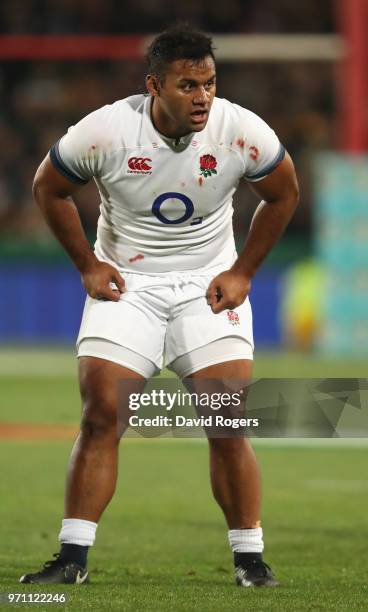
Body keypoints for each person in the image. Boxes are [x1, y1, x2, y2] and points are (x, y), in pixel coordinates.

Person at [20, 25, 299, 587]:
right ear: (154, 85)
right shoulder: (104, 131)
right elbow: (47, 187)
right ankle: (72, 558)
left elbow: (283, 192)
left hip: (207, 285)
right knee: (102, 412)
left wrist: (243, 271)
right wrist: (87, 265)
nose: (202, 98)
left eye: (210, 84)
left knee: (227, 420)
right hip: (129, 285)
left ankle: (250, 561)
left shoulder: (240, 130)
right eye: (187, 84)